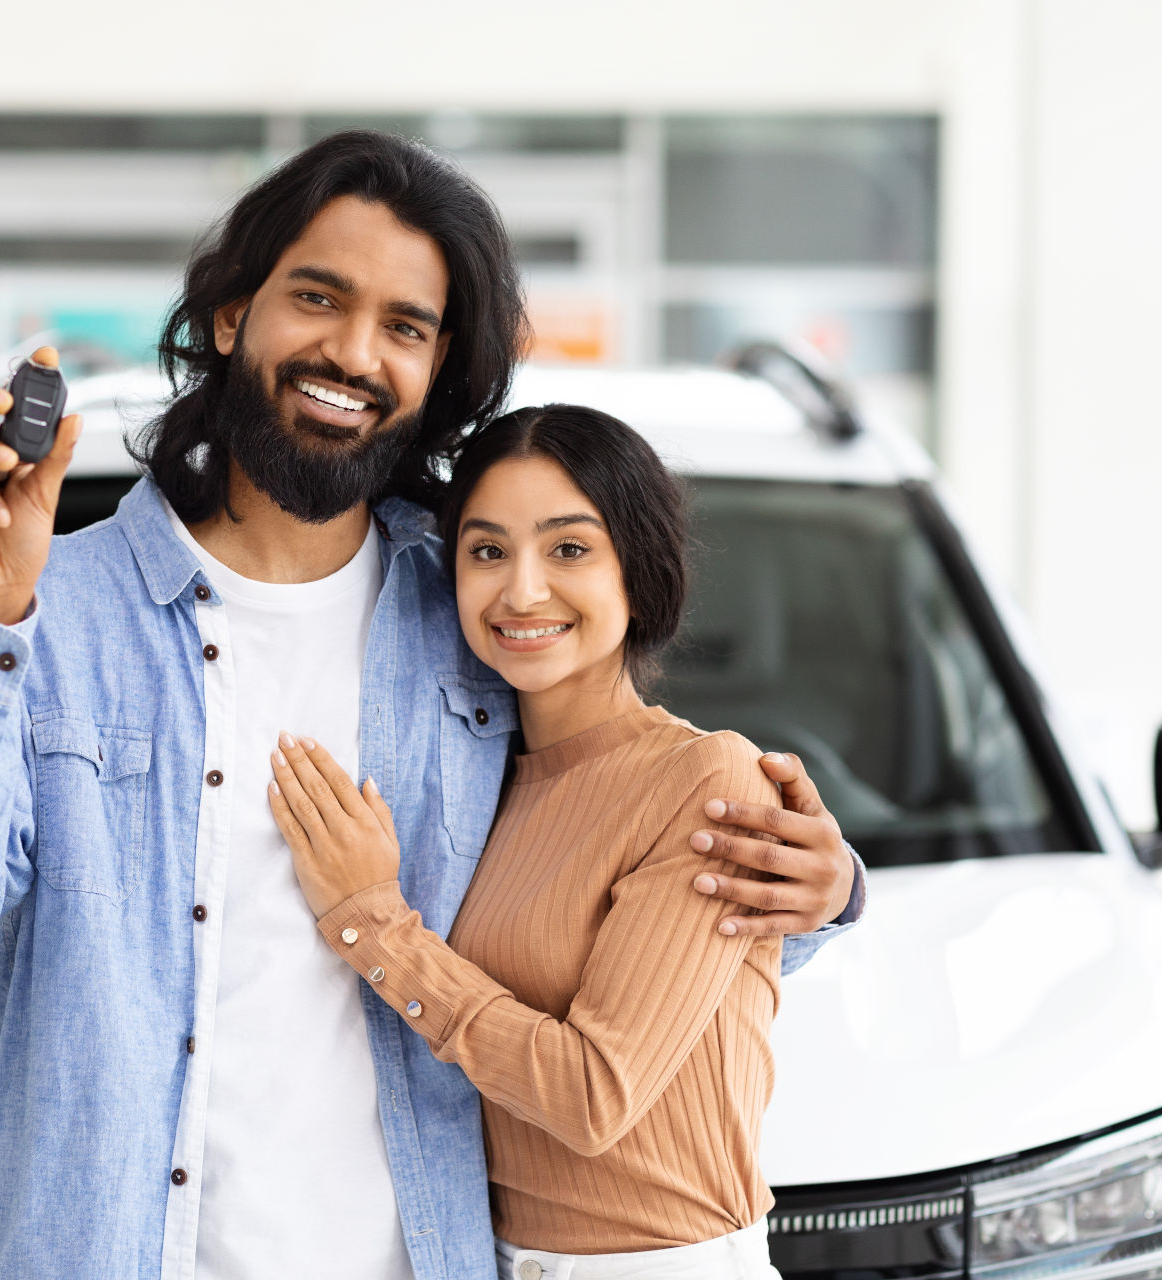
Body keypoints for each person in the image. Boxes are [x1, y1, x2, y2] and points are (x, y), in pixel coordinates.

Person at [0, 130, 864, 1279]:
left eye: (406, 326)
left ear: (436, 371)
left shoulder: (474, 613)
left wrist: (822, 888)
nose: (356, 351)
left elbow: (618, 847)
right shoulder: (50, 613)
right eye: (319, 297)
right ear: (232, 314)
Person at [271, 404, 790, 1280]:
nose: (521, 591)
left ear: (639, 567)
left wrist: (372, 923)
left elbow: (595, 1098)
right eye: (486, 551)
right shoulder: (485, 786)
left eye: (569, 549)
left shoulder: (706, 780)